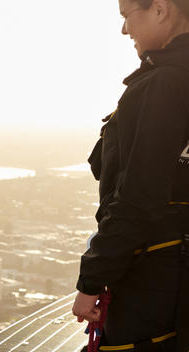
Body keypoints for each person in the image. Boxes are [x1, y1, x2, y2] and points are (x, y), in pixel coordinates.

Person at [71, 0, 189, 350]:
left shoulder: (167, 84)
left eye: (127, 16)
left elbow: (138, 197)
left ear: (160, 9)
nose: (125, 30)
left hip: (154, 280)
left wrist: (92, 281)